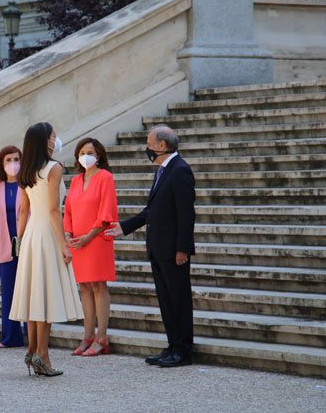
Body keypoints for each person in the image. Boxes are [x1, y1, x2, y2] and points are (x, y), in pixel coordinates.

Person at [105, 125, 195, 368]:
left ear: (161, 145)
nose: (147, 148)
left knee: (179, 300)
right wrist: (124, 227)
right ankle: (173, 345)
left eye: (149, 143)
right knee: (166, 300)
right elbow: (151, 211)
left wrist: (182, 249)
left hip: (173, 251)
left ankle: (183, 350)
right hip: (158, 248)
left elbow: (186, 215)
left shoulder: (180, 170)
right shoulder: (163, 171)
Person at [10, 122, 83, 377]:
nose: (56, 139)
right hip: (47, 235)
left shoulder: (26, 170)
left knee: (34, 295)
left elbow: (23, 211)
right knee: (46, 295)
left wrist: (19, 243)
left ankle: (33, 351)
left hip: (31, 235)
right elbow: (53, 210)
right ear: (45, 141)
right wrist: (64, 243)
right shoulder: (54, 167)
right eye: (53, 136)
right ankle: (42, 355)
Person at [64, 138, 118, 357]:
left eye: (90, 153)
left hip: (96, 239)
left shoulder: (105, 177)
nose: (86, 156)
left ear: (99, 156)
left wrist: (88, 236)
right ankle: (87, 336)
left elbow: (107, 212)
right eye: (82, 153)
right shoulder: (76, 180)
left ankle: (101, 337)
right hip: (78, 241)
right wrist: (68, 233)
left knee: (98, 285)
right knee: (84, 287)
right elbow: (68, 210)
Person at [0, 145, 25, 348]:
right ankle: (11, 337)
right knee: (8, 292)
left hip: (26, 244)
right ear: (1, 163)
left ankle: (34, 335)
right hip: (4, 246)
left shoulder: (28, 185)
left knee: (29, 290)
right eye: (8, 160)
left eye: (16, 159)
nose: (12, 164)